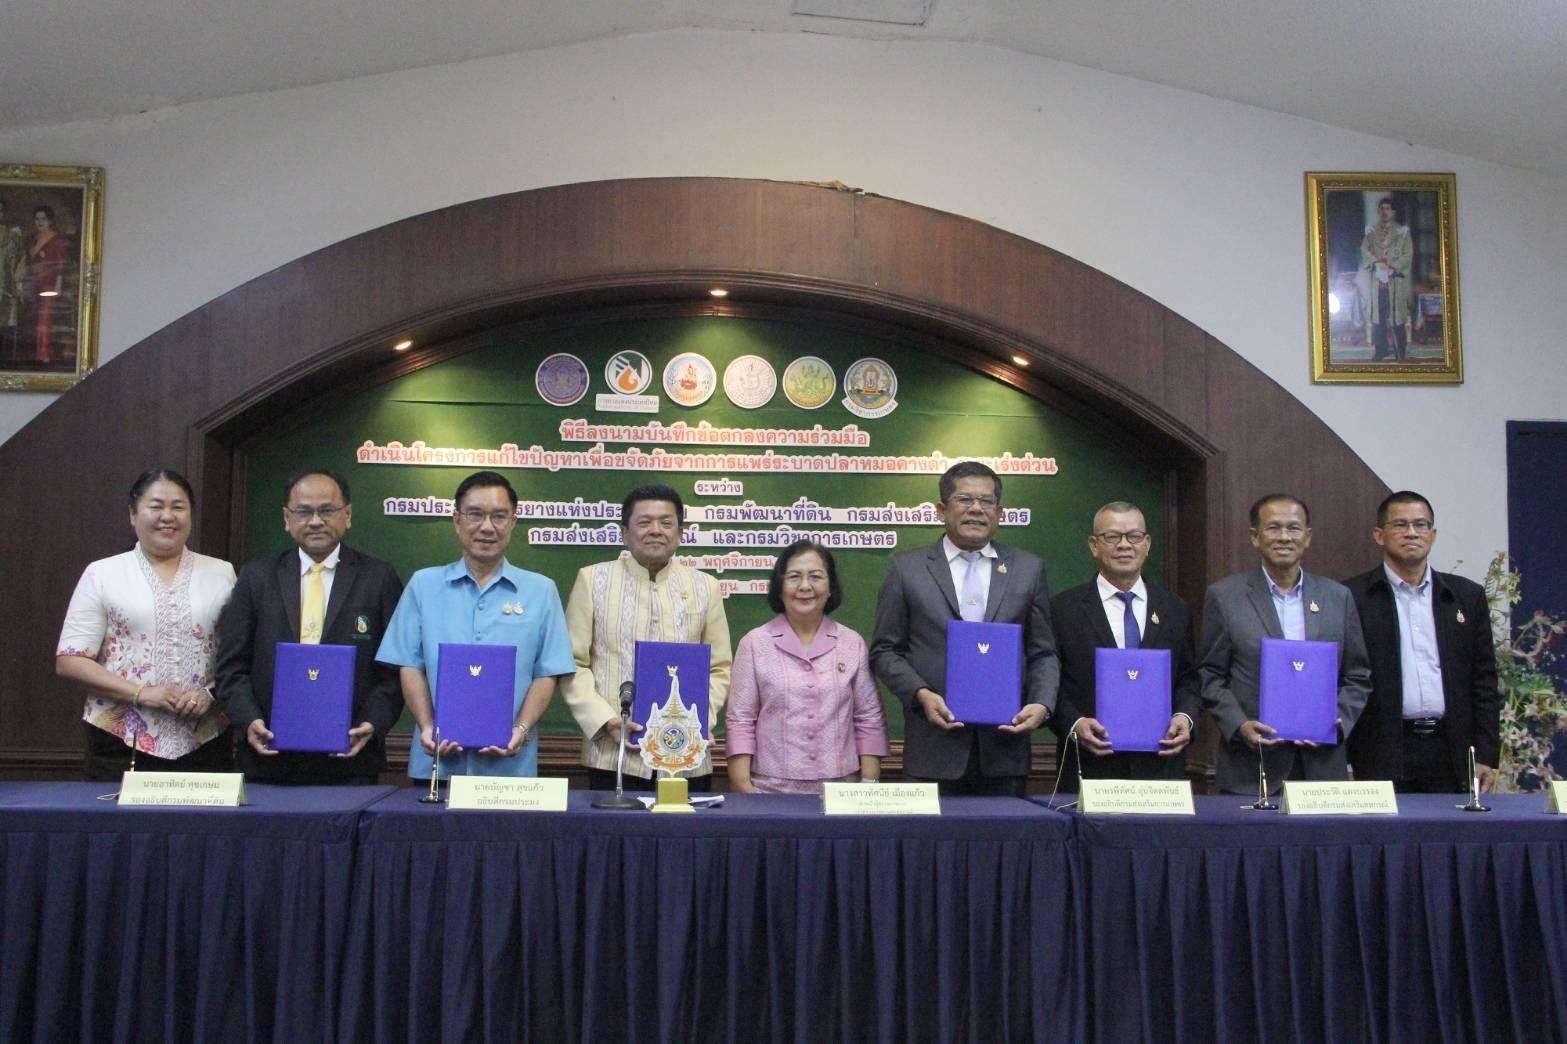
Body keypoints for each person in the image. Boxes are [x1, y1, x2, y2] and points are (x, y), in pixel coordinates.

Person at [869, 461, 1058, 796]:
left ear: (999, 513)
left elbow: (1043, 652)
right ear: (941, 510)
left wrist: (1041, 704)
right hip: (932, 749)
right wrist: (921, 694)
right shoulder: (907, 568)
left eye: (986, 501)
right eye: (964, 499)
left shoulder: (1027, 569)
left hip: (1005, 749)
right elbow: (885, 651)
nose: (976, 509)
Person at [376, 470, 573, 781]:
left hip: (510, 771)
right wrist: (427, 726)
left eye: (499, 516)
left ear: (513, 522)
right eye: (475, 515)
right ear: (457, 521)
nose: (487, 527)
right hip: (436, 765)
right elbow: (409, 664)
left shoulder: (541, 590)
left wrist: (521, 729)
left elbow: (547, 671)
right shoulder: (423, 585)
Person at [215, 469, 404, 784]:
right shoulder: (256, 577)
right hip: (269, 756)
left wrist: (372, 723)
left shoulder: (378, 578)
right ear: (286, 518)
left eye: (327, 510)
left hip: (351, 758)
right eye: (304, 512)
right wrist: (248, 720)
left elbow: (395, 669)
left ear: (347, 515)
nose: (316, 521)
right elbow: (231, 665)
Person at [56, 468, 236, 779]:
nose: (168, 516)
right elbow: (70, 660)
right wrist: (141, 692)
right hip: (120, 741)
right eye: (156, 506)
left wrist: (210, 694)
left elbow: (239, 654)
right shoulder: (103, 574)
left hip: (206, 738)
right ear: (133, 514)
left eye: (178, 507)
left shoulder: (222, 573)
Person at [560, 484, 732, 791]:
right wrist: (606, 721)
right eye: (644, 522)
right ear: (625, 534)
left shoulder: (706, 587)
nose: (656, 530)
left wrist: (698, 720)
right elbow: (572, 662)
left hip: (687, 754)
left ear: (680, 533)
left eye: (666, 523)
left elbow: (719, 667)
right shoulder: (593, 580)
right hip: (614, 755)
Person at [1198, 493, 1372, 794]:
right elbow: (1210, 675)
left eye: (1293, 528)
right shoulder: (1225, 597)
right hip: (1251, 767)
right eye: (1273, 528)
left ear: (1308, 537)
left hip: (1321, 767)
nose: (1284, 537)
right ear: (1254, 537)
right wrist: (1239, 725)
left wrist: (1339, 720)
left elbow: (1358, 675)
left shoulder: (1337, 597)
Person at [1343, 491, 1501, 793]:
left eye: (1421, 525)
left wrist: (1486, 753)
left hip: (1451, 752)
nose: (1412, 533)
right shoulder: (1351, 596)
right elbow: (1341, 681)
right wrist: (1345, 761)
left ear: (1433, 534)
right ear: (1379, 535)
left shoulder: (1466, 596)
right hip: (1378, 751)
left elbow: (1483, 681)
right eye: (1400, 524)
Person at [1051, 501, 1199, 785]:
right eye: (1111, 537)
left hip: (1160, 768)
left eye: (1134, 536)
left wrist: (1185, 717)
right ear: (1094, 545)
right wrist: (1075, 723)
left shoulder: (1175, 609)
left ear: (1147, 544)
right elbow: (1048, 683)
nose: (1124, 545)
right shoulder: (1063, 609)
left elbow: (1188, 679)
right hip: (1089, 767)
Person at [726, 539, 889, 794]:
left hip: (841, 792)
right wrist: (744, 786)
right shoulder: (755, 643)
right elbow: (740, 719)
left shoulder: (852, 643)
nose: (805, 586)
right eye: (794, 577)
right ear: (779, 587)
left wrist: (868, 786)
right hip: (769, 791)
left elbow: (868, 718)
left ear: (830, 587)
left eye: (815, 577)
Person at [14, 205, 72, 366]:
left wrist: (58, 285)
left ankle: (44, 355)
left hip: (49, 286)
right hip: (33, 284)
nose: (40, 222)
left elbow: (60, 264)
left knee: (44, 321)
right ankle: (33, 353)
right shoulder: (31, 240)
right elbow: (26, 263)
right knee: (32, 320)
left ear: (50, 221)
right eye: (37, 219)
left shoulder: (57, 240)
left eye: (44, 219)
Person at [1359, 197, 1413, 361]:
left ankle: (1400, 351)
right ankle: (1381, 350)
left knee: (1397, 318)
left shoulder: (1402, 232)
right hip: (1378, 283)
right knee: (1379, 319)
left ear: (1393, 211)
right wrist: (1375, 263)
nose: (1385, 212)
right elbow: (1364, 250)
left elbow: (1408, 254)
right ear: (1378, 211)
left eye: (1388, 209)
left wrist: (1394, 268)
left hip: (1394, 282)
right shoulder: (1371, 231)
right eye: (1382, 208)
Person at [0, 199, 23, 358]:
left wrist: (18, 281)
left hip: (7, 287)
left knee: (7, 326)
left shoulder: (13, 235)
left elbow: (22, 259)